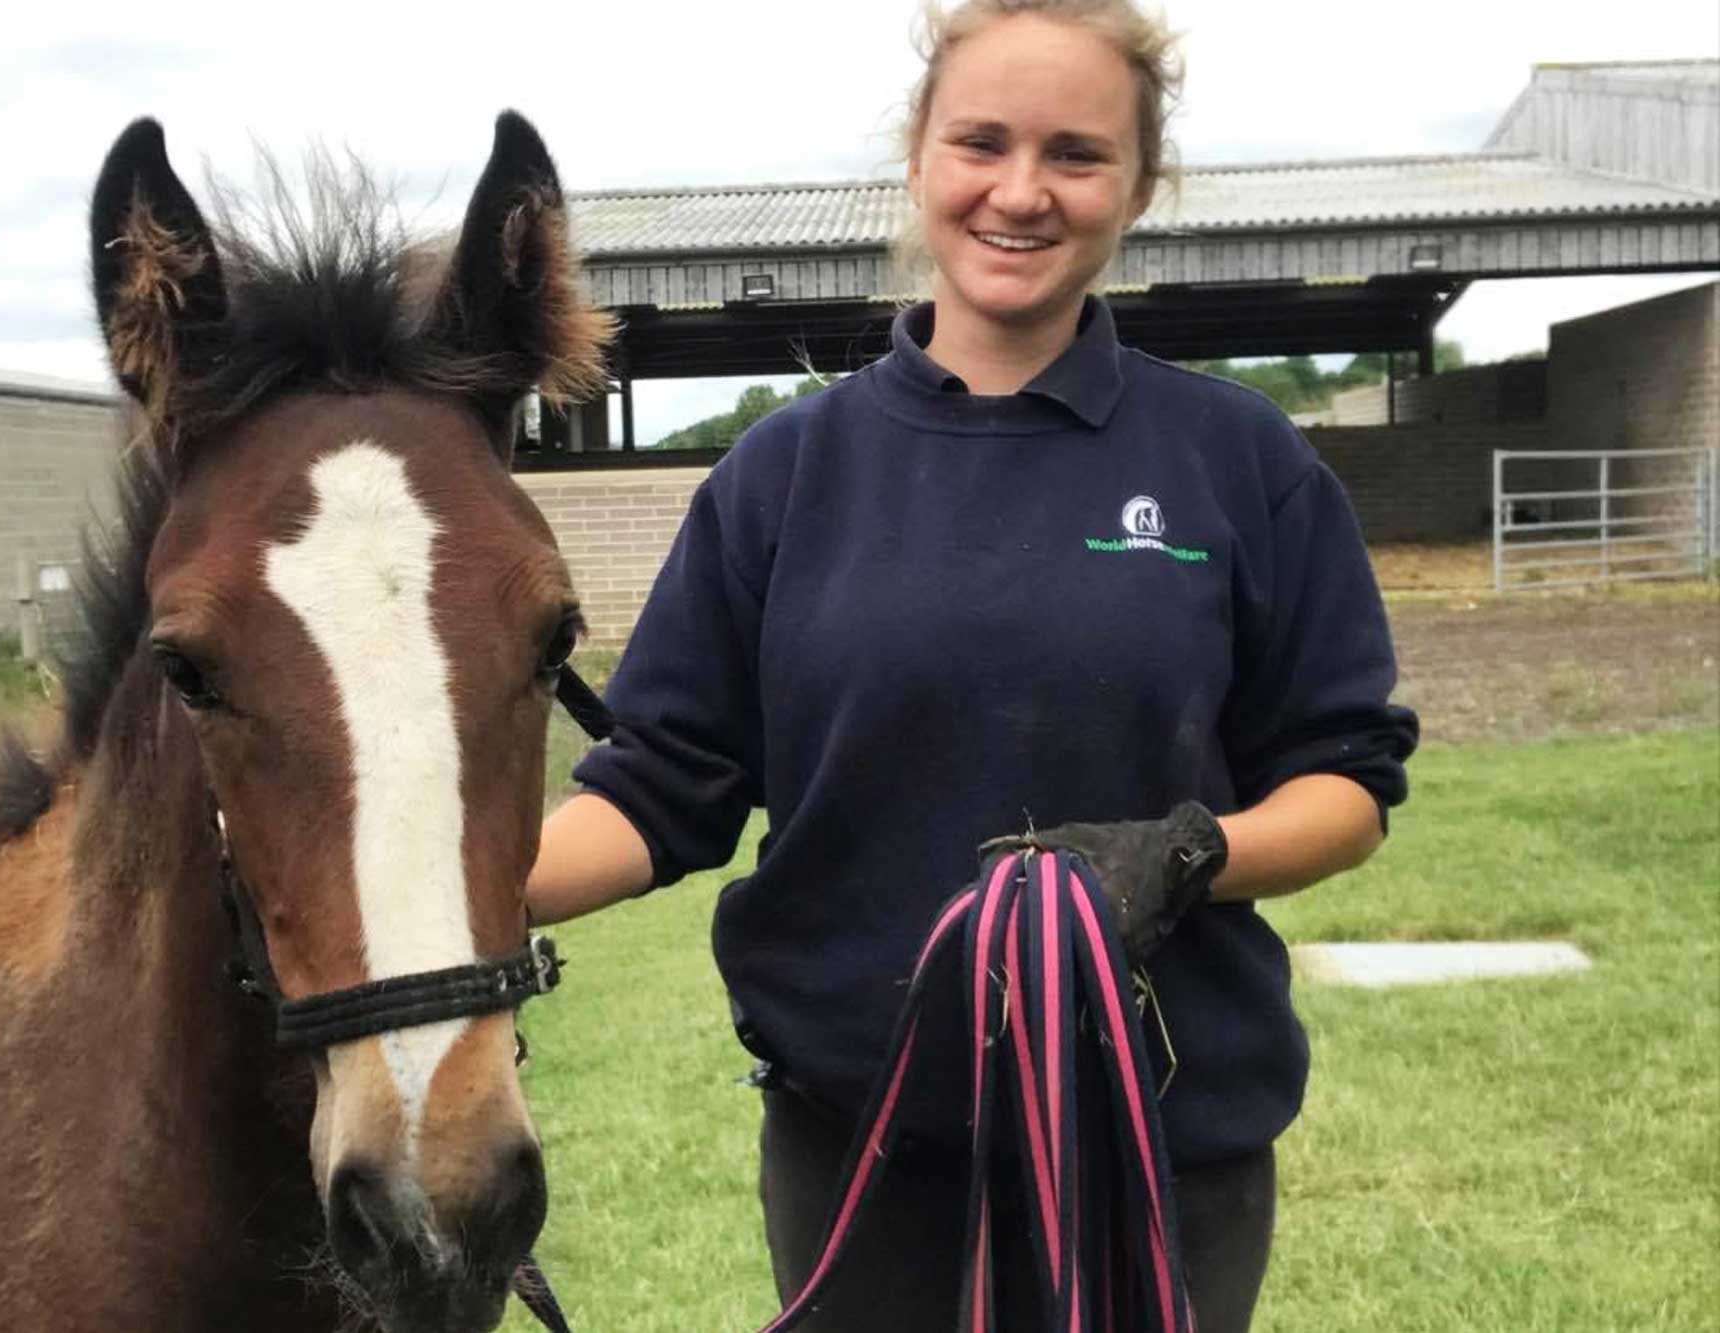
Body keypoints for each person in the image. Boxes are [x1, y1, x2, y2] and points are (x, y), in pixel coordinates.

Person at [525, 2, 1418, 1328]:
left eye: (1075, 153)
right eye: (981, 142)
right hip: (864, 1149)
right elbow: (664, 784)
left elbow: (1345, 784)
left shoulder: (1243, 465)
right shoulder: (784, 476)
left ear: (1140, 184)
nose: (1020, 192)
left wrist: (1184, 853)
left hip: (1165, 1148)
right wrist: (446, 901)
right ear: (918, 158)